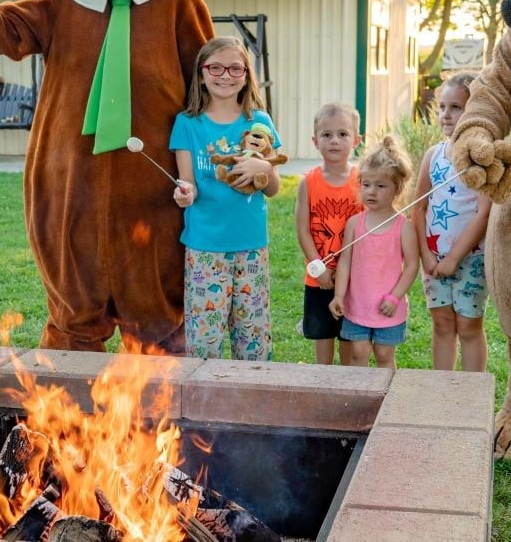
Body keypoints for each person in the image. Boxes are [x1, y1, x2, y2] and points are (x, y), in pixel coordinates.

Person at [170, 36, 283, 361]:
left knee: (253, 339)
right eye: (216, 67)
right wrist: (184, 194)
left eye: (236, 68)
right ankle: (203, 404)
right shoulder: (187, 124)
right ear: (202, 74)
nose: (225, 75)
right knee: (205, 341)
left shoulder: (259, 122)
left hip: (251, 248)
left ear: (247, 75)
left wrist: (264, 167)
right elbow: (187, 186)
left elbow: (273, 188)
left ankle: (253, 403)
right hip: (205, 249)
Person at [412, 72, 491, 371]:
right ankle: (441, 391)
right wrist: (426, 255)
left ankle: (470, 395)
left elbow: (484, 213)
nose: (446, 114)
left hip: (471, 259)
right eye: (442, 107)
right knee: (442, 324)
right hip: (434, 258)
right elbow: (418, 209)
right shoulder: (434, 155)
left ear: (474, 111)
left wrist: (454, 259)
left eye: (455, 107)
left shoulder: (480, 158)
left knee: (469, 327)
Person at [329, 135, 419, 370]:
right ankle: (360, 398)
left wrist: (395, 297)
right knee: (358, 353)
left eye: (381, 186)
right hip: (357, 304)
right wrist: (339, 296)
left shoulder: (404, 227)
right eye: (366, 184)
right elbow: (345, 262)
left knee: (384, 354)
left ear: (397, 189)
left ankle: (385, 399)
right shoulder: (354, 224)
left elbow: (411, 266)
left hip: (389, 306)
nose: (371, 191)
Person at [295, 102, 363, 365]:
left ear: (356, 140)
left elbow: (365, 230)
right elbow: (303, 230)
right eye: (327, 135)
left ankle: (345, 388)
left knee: (348, 338)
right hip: (318, 279)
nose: (335, 141)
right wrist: (318, 268)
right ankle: (322, 385)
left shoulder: (362, 181)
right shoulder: (308, 182)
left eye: (343, 134)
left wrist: (346, 271)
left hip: (353, 280)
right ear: (315, 141)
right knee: (323, 339)